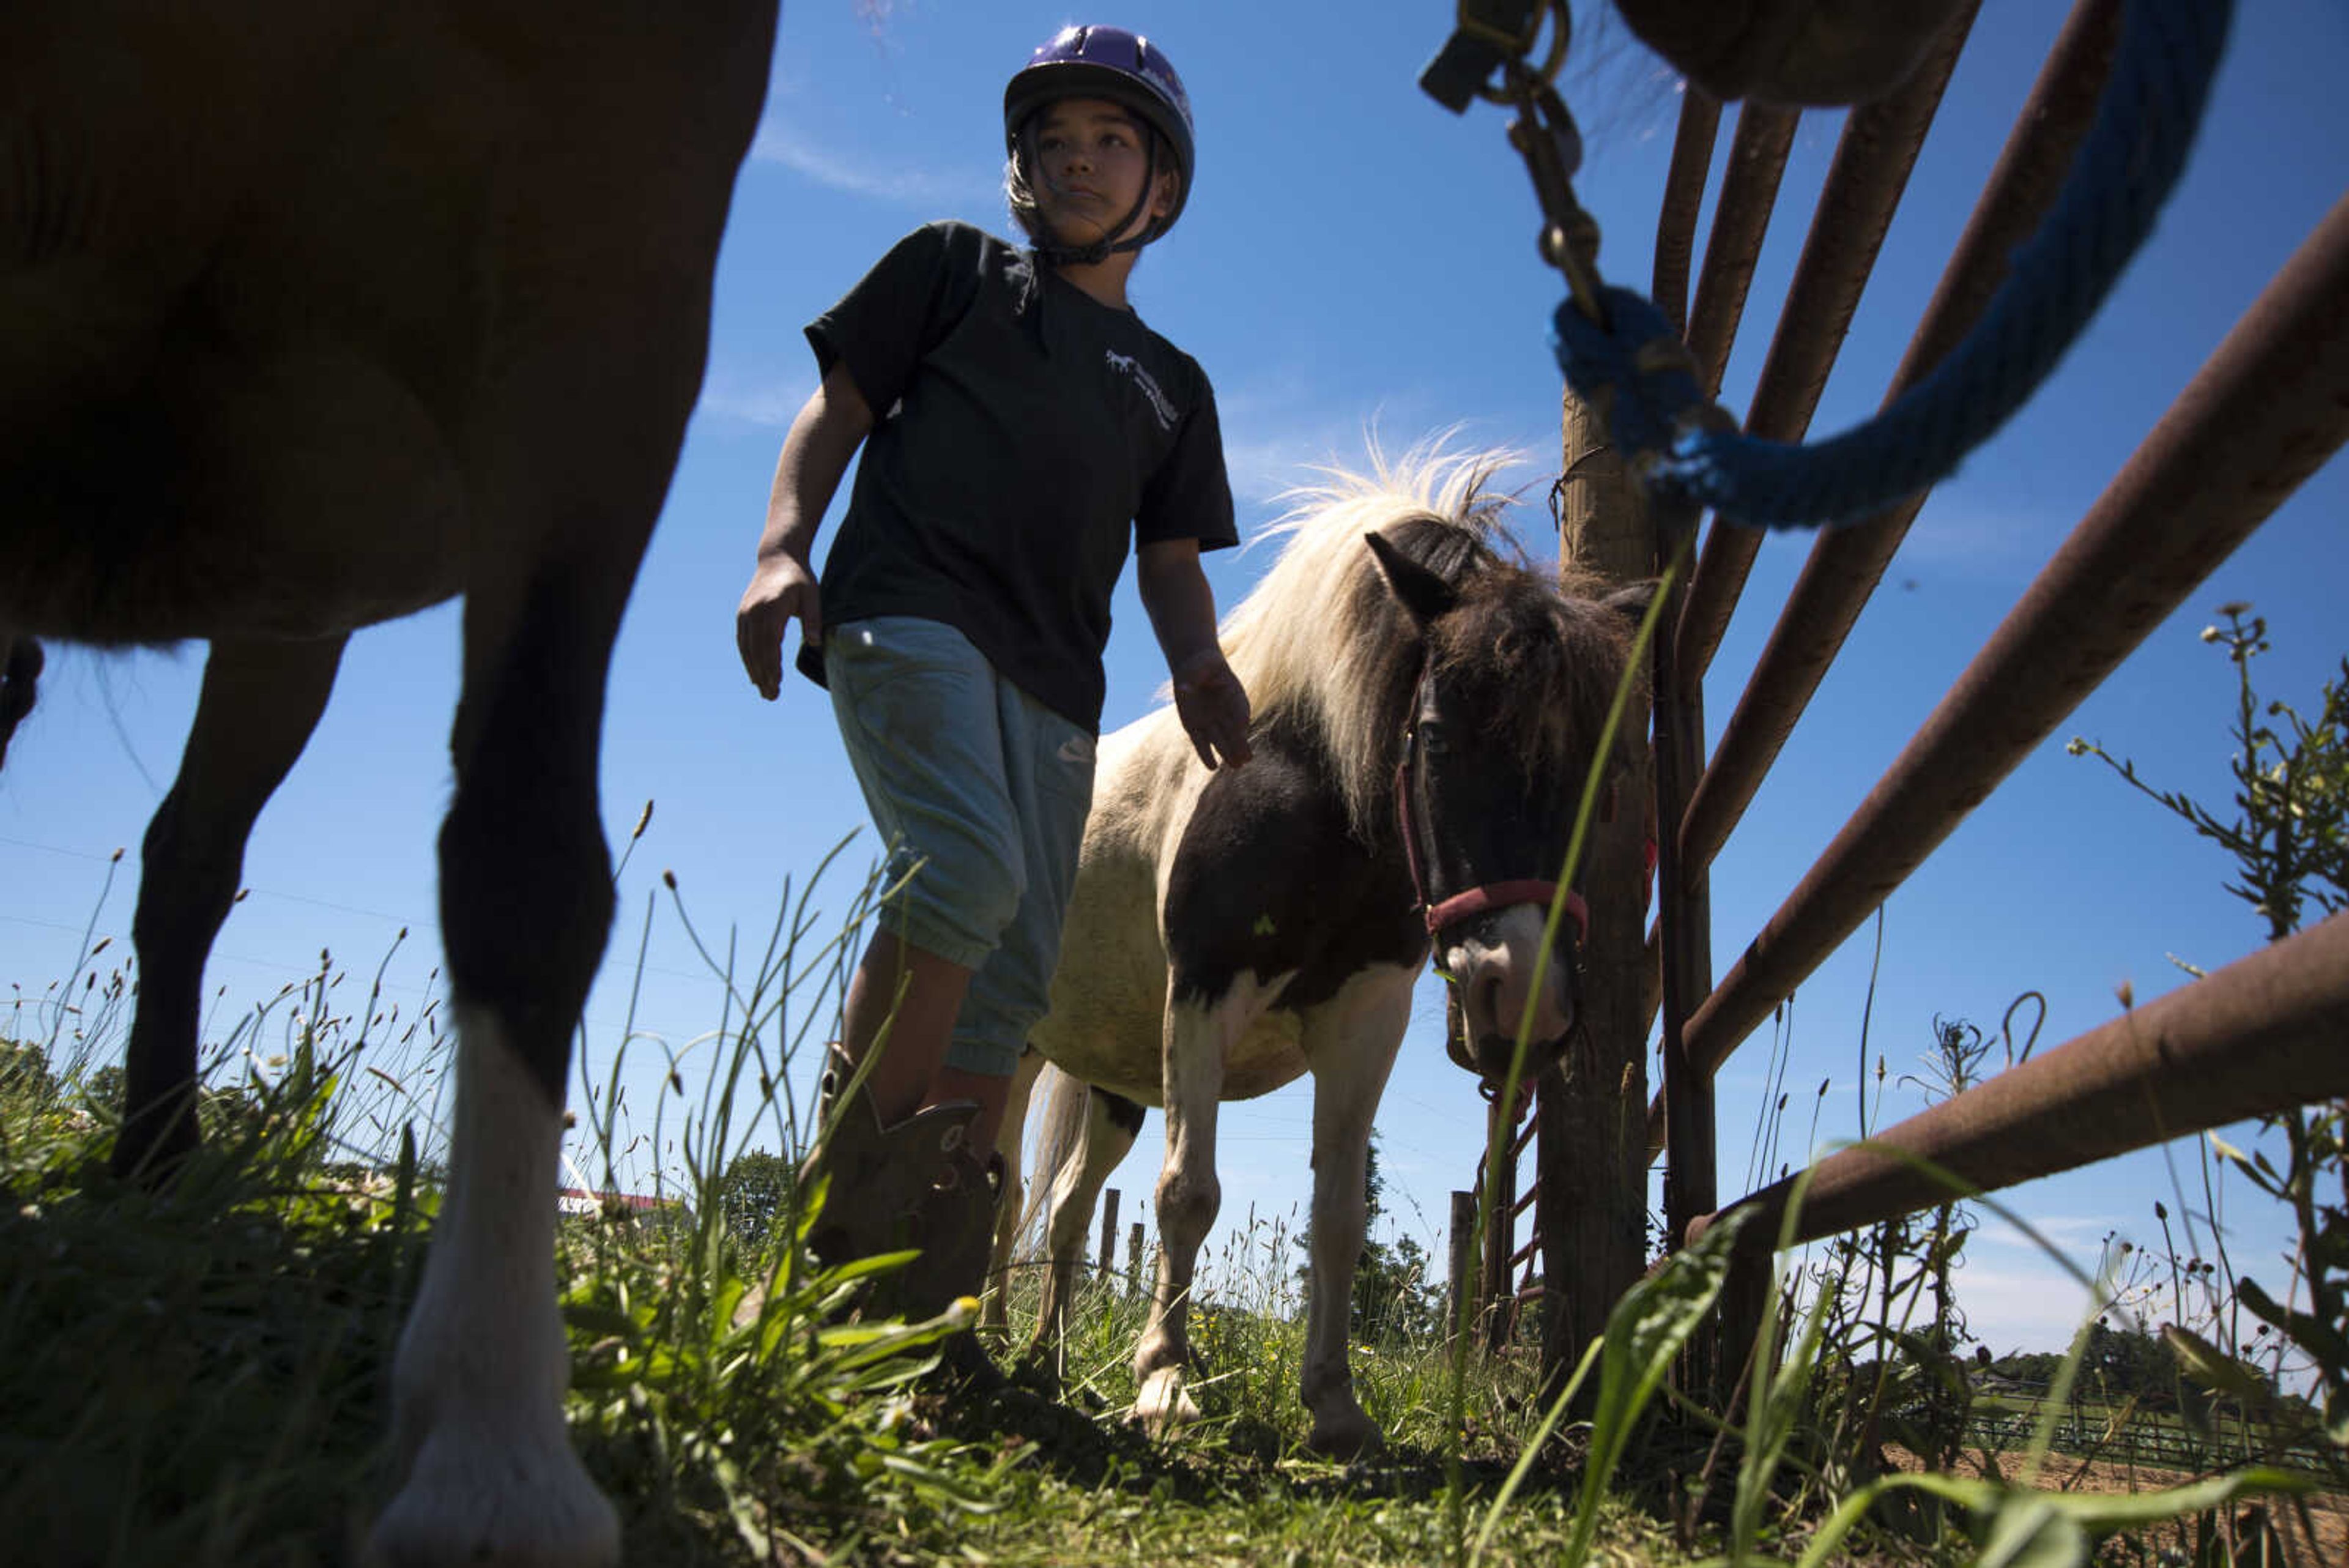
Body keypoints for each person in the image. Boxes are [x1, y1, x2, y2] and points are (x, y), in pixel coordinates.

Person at [734, 25, 1252, 1331]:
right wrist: (781, 547)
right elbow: (836, 411)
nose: (1078, 162)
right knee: (962, 870)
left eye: (1112, 142)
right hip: (908, 614)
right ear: (1021, 168)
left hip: (1057, 688)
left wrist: (1198, 660)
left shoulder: (1174, 388)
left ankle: (917, 1302)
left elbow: (1172, 558)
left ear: (1165, 188)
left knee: (1022, 976)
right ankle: (831, 1246)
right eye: (1055, 142)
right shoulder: (952, 270)